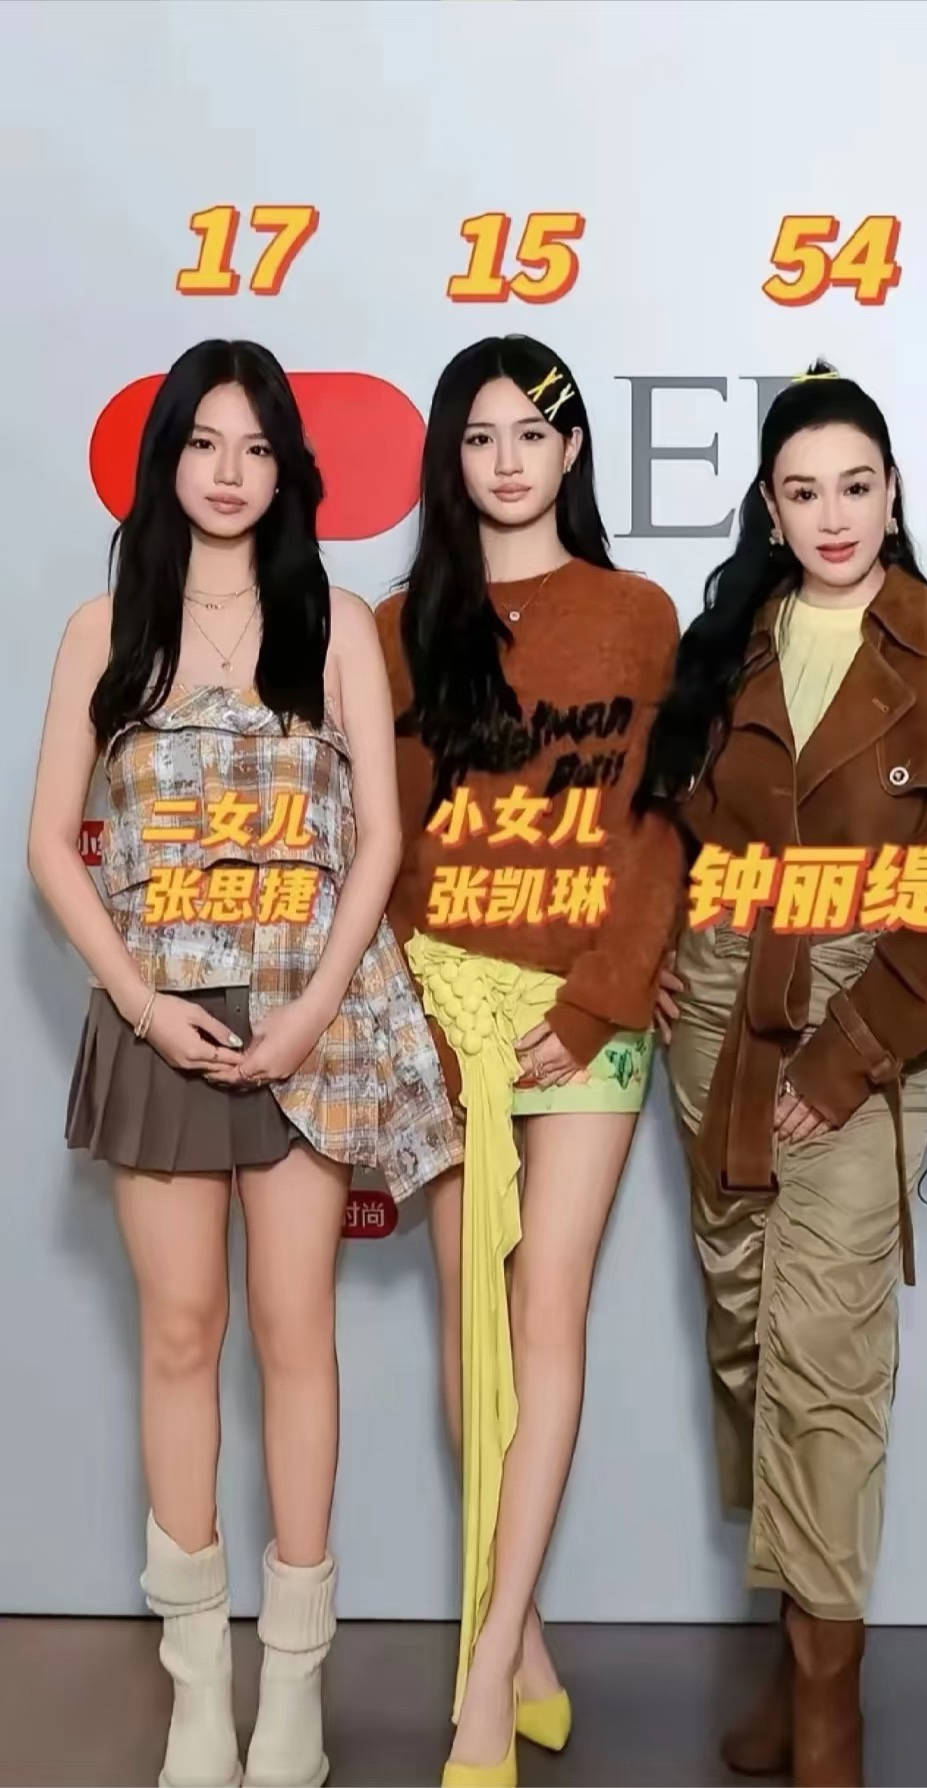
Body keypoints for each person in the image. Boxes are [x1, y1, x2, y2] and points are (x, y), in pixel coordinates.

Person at [27, 338, 461, 1788]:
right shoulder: (106, 628)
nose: (228, 472)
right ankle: (197, 1692)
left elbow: (379, 843)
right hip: (161, 1016)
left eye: (256, 447)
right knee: (178, 1335)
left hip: (305, 1021)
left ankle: (295, 1693)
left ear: (288, 472)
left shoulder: (332, 624)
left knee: (295, 1337)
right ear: (166, 462)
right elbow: (50, 846)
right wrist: (144, 1007)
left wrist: (313, 1009)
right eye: (204, 443)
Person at [640, 363, 927, 1788]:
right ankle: (786, 1649)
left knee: (829, 1354)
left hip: (874, 1012)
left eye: (856, 485)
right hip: (719, 1018)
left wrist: (859, 1049)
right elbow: (675, 828)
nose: (833, 515)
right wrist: (673, 943)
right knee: (747, 1342)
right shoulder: (726, 646)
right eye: (803, 492)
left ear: (894, 490)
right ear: (769, 506)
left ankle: (830, 1709)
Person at [375, 335, 681, 1787]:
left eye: (531, 434)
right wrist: (420, 1015)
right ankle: (529, 1639)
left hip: (585, 1016)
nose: (507, 460)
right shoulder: (400, 627)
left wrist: (605, 999)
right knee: (471, 1332)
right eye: (479, 436)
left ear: (571, 452)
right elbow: (388, 847)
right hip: (446, 1007)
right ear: (453, 458)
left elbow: (659, 827)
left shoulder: (636, 614)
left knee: (545, 1309)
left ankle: (487, 1668)